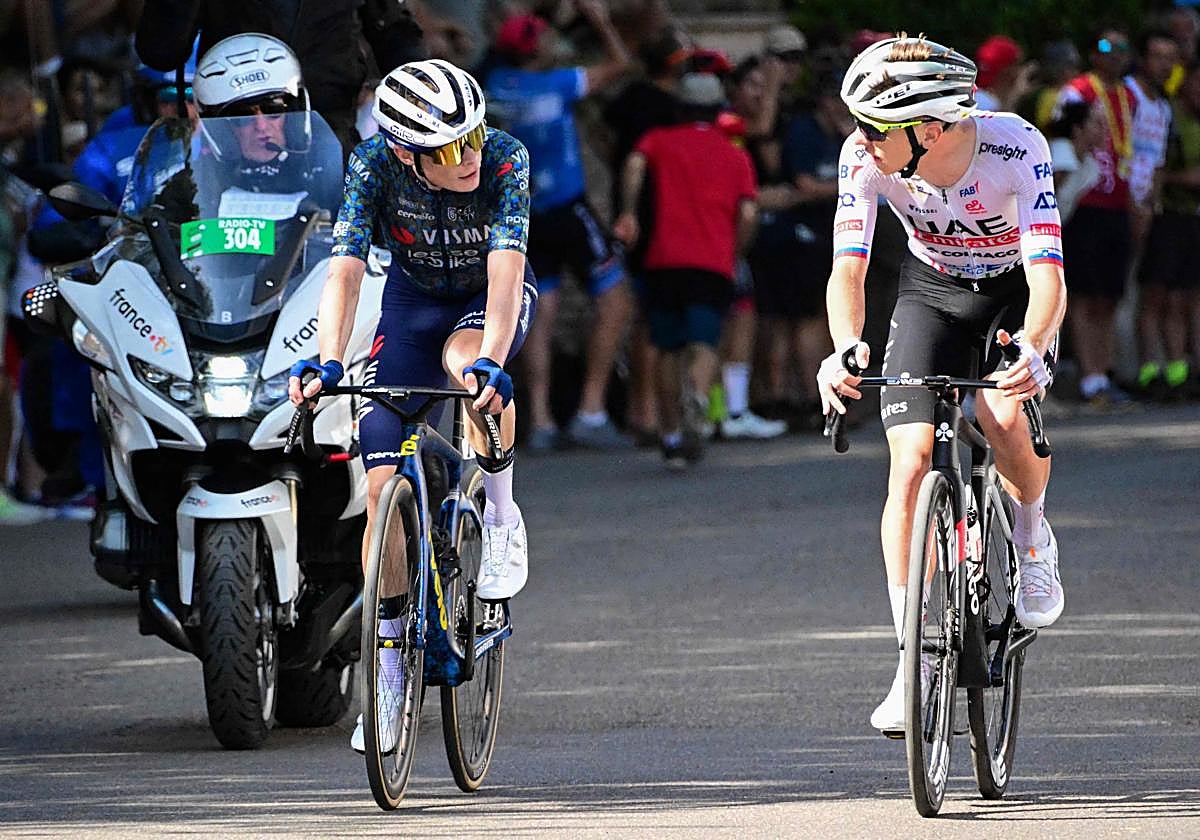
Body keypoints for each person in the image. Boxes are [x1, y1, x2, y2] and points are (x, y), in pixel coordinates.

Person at [817, 35, 1067, 733]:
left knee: (999, 412)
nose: (859, 141)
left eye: (872, 128)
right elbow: (849, 270)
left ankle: (1030, 534)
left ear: (927, 128)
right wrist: (843, 347)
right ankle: (911, 664)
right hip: (932, 291)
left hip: (1014, 294)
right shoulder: (864, 161)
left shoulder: (1017, 147)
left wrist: (1038, 345)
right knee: (910, 465)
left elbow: (1048, 276)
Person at [285, 59, 535, 752]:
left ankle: (503, 512)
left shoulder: (507, 160)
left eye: (475, 134)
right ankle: (389, 663)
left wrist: (492, 355)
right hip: (415, 301)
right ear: (404, 151)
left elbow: (507, 267)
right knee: (377, 481)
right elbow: (343, 267)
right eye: (453, 148)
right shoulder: (371, 166)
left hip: (489, 297)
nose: (472, 155)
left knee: (465, 367)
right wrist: (328, 357)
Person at [485, 1, 634, 451]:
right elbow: (621, 64)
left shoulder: (494, 86)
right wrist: (601, 20)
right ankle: (591, 410)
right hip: (568, 208)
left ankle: (544, 420)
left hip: (524, 211)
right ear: (534, 51)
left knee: (540, 313)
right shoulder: (557, 84)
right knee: (615, 295)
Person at [614, 73, 758, 468]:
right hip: (712, 262)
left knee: (665, 347)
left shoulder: (659, 140)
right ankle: (696, 392)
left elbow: (634, 162)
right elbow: (748, 212)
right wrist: (735, 251)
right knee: (705, 342)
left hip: (663, 259)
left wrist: (628, 211)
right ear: (717, 111)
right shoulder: (735, 154)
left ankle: (672, 433)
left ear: (679, 107)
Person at [135, 0, 426, 154]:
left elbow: (395, 33)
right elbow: (160, 51)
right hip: (235, 139)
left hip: (327, 133)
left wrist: (422, 95)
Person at [1056, 29, 1136, 406]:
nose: (1115, 55)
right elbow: (1061, 134)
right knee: (1085, 296)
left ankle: (1104, 373)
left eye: (1122, 48)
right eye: (1106, 47)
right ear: (1093, 53)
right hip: (1086, 202)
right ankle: (1090, 377)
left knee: (1109, 295)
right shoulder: (1078, 91)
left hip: (1117, 201)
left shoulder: (1128, 94)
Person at [1137, 61, 1200, 400]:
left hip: (1193, 219)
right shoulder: (1169, 113)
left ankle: (1180, 370)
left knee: (1185, 298)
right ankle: (1151, 370)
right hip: (1167, 214)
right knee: (1157, 295)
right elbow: (1157, 165)